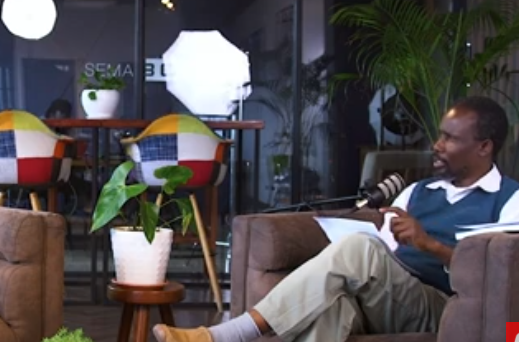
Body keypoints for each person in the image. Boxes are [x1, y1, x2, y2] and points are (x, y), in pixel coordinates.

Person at [153, 96, 519, 342]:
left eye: (450, 139)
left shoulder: (509, 200)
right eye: (439, 135)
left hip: (442, 306)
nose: (437, 145)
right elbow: (383, 256)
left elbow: (502, 279)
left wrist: (429, 245)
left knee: (360, 249)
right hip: (388, 298)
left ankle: (225, 336)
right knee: (332, 307)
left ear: (484, 147)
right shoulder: (417, 191)